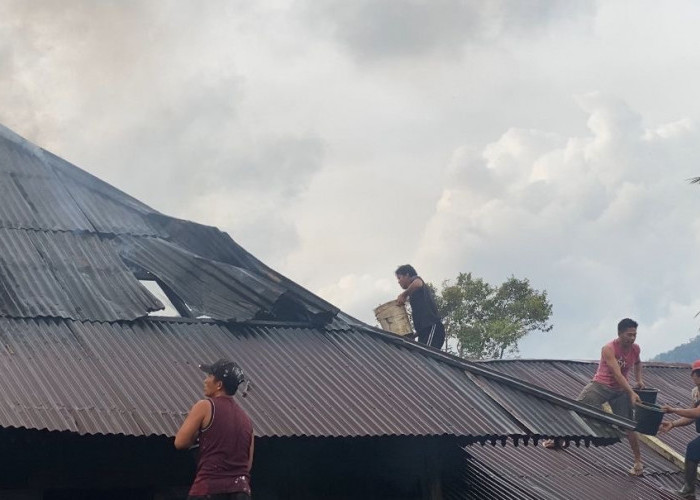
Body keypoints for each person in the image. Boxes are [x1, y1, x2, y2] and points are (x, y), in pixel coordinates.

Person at [543, 318, 645, 476]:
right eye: (629, 335)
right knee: (577, 410)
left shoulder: (635, 349)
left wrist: (638, 380)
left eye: (634, 335)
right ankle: (558, 440)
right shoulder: (609, 348)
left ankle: (638, 462)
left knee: (628, 425)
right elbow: (617, 374)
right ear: (619, 333)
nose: (632, 338)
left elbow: (638, 363)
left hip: (620, 390)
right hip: (601, 385)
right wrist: (631, 392)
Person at [175, 359, 254, 500]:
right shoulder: (247, 420)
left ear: (219, 385)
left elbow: (180, 442)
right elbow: (247, 465)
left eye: (209, 376)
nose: (205, 381)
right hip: (241, 490)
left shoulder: (205, 406)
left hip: (209, 488)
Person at [659, 359, 700, 499]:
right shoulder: (696, 392)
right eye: (698, 373)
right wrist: (673, 424)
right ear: (692, 376)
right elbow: (691, 415)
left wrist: (673, 409)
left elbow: (697, 412)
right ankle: (688, 490)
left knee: (693, 448)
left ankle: (688, 490)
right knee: (693, 449)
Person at [395, 264, 445, 349]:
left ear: (407, 275)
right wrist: (413, 336)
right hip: (424, 332)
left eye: (399, 278)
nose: (398, 281)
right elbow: (423, 324)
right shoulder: (414, 296)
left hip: (433, 328)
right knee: (420, 357)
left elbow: (418, 283)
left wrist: (404, 295)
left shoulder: (416, 280)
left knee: (426, 355)